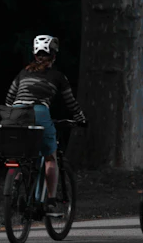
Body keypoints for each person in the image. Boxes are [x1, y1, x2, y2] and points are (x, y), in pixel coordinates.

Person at [5, 35, 87, 212]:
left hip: (16, 113)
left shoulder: (23, 73)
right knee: (50, 157)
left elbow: (10, 99)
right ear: (54, 56)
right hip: (39, 113)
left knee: (22, 155)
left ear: (35, 55)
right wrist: (80, 118)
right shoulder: (57, 76)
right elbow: (70, 102)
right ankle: (50, 200)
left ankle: (17, 180)